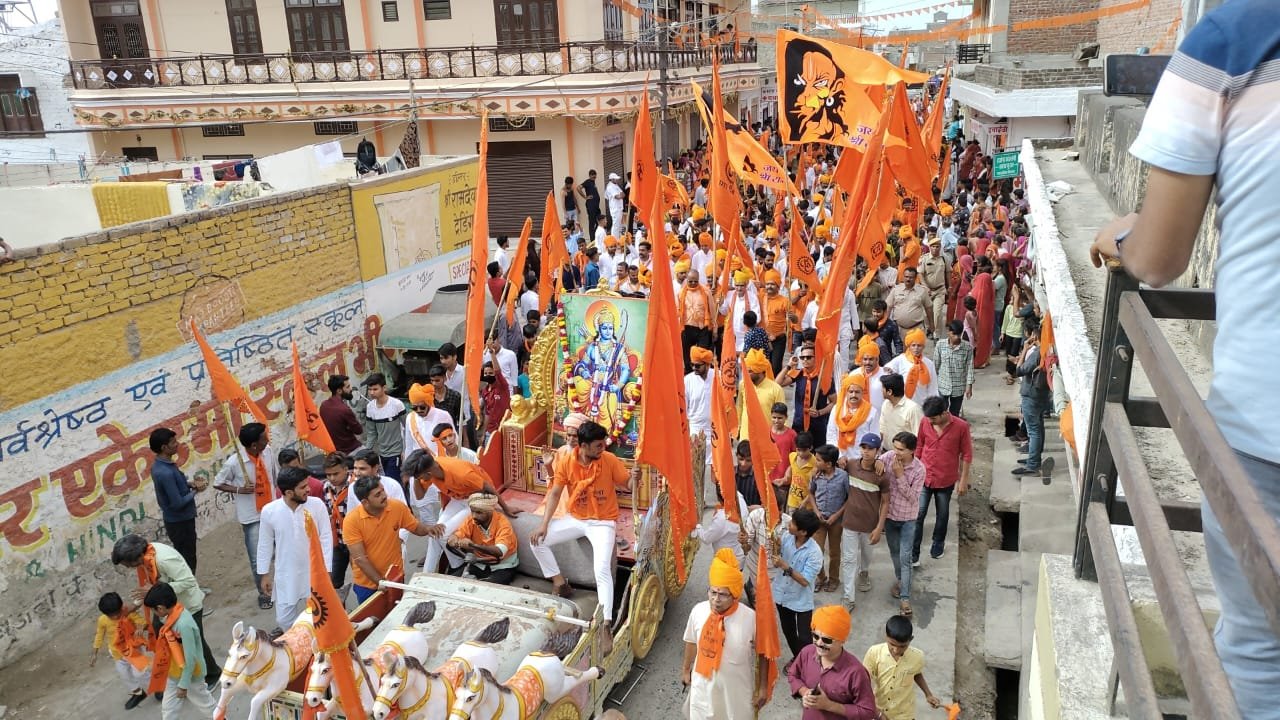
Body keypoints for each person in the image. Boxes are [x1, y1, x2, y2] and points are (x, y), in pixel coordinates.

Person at [1086, 6, 1280, 707]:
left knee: (1258, 653)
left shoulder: (1230, 41)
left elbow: (1160, 257)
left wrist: (1122, 238)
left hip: (1266, 428)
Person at [530, 420, 640, 632]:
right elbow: (555, 493)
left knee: (601, 569)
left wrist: (635, 479)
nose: (603, 448)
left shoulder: (608, 459)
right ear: (583, 446)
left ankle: (606, 623)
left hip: (603, 522)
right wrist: (544, 525)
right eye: (598, 445)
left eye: (603, 444)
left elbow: (627, 484)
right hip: (576, 518)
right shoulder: (566, 462)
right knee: (536, 541)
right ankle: (560, 583)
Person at [110, 535, 220, 688]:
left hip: (187, 606)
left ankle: (213, 674)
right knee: (161, 635)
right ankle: (178, 671)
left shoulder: (163, 560)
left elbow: (188, 581)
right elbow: (149, 587)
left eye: (128, 564)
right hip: (164, 606)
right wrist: (135, 605)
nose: (129, 567)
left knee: (194, 643)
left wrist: (156, 590)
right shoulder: (147, 558)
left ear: (138, 556)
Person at [681, 549, 766, 719]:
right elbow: (691, 642)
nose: (716, 599)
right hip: (703, 687)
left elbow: (763, 653)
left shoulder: (751, 618)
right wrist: (686, 669)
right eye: (713, 592)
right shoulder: (698, 611)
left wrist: (763, 687)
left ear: (734, 596)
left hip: (735, 693)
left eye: (722, 594)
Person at [403, 448, 512, 573]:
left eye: (419, 476)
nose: (418, 479)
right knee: (434, 533)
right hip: (459, 499)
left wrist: (506, 508)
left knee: (443, 534)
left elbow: (488, 487)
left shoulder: (461, 473)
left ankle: (458, 566)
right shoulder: (431, 469)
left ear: (428, 473)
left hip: (477, 500)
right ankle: (426, 574)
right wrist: (416, 477)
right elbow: (419, 496)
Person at [343, 475, 443, 604]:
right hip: (367, 585)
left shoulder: (397, 507)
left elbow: (416, 527)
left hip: (395, 578)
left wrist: (429, 529)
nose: (384, 496)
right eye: (378, 494)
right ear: (365, 502)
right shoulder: (351, 521)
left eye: (383, 490)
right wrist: (380, 581)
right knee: (373, 616)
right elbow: (360, 559)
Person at [257, 467, 333, 630]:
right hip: (286, 573)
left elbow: (326, 538)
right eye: (303, 487)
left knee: (319, 618)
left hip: (314, 572)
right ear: (289, 492)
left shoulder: (317, 505)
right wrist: (264, 574)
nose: (308, 489)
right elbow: (264, 543)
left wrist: (327, 569)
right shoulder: (269, 511)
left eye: (307, 485)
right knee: (284, 620)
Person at [213, 422, 277, 610]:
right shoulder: (234, 462)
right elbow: (218, 482)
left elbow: (274, 476)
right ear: (254, 445)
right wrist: (239, 489)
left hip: (272, 509)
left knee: (282, 549)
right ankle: (264, 593)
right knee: (257, 558)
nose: (267, 440)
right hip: (252, 516)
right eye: (264, 438)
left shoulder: (268, 452)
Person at [786, 605, 877, 719]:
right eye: (815, 636)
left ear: (842, 640)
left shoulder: (856, 673)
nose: (819, 643)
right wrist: (805, 692)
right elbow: (793, 674)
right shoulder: (807, 653)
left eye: (827, 640)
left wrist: (829, 705)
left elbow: (868, 711)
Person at [143, 583, 218, 720]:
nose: (154, 614)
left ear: (160, 608)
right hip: (174, 672)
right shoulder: (172, 614)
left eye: (153, 610)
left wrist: (183, 685)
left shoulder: (184, 624)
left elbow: (191, 658)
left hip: (191, 676)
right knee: (168, 709)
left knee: (206, 705)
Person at [913, 397, 972, 564]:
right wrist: (914, 469)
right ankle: (914, 552)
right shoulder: (925, 422)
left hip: (946, 479)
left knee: (943, 513)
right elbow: (919, 445)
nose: (930, 421)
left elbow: (967, 454)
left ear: (944, 413)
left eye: (933, 418)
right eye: (929, 418)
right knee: (918, 514)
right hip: (924, 476)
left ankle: (938, 543)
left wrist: (963, 480)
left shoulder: (961, 427)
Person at [840, 433, 889, 611]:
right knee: (849, 559)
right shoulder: (851, 465)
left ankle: (864, 572)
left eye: (870, 448)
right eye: (863, 447)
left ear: (877, 451)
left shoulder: (881, 475)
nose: (866, 451)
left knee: (866, 555)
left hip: (869, 524)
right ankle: (849, 597)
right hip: (850, 522)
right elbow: (833, 464)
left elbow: (885, 502)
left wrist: (879, 527)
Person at [863, 615, 942, 719]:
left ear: (911, 639)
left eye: (902, 646)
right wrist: (877, 712)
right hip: (880, 709)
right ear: (886, 636)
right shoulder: (874, 653)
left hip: (905, 714)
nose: (896, 650)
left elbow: (916, 673)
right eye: (892, 644)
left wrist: (928, 694)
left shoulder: (917, 656)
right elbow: (863, 682)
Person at [881, 432, 925, 617]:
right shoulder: (889, 457)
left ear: (912, 450)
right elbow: (876, 463)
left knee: (905, 557)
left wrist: (900, 476)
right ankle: (901, 580)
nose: (896, 452)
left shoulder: (919, 470)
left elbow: (913, 498)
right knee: (894, 553)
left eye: (901, 449)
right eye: (895, 447)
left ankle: (905, 598)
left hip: (907, 518)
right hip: (890, 516)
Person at [770, 508, 823, 659]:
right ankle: (798, 659)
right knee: (788, 631)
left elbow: (805, 581)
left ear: (803, 532)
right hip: (782, 595)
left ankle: (808, 663)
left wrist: (785, 566)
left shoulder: (814, 553)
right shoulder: (786, 537)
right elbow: (776, 558)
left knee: (805, 637)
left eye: (793, 523)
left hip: (801, 600)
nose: (789, 524)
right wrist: (775, 547)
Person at [149, 428, 204, 573]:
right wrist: (196, 490)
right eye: (173, 442)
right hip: (180, 522)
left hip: (176, 521)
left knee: (185, 556)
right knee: (188, 558)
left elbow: (174, 487)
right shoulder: (165, 472)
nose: (177, 444)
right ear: (164, 447)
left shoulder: (160, 466)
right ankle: (190, 585)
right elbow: (178, 503)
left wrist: (189, 484)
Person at [92, 592, 151, 710]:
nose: (115, 617)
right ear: (105, 614)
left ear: (121, 607)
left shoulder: (128, 613)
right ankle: (138, 693)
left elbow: (142, 622)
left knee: (140, 673)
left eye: (117, 614)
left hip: (134, 650)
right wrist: (95, 653)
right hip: (118, 653)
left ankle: (158, 687)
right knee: (124, 674)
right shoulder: (102, 620)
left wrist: (140, 627)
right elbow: (99, 635)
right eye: (111, 616)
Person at [1011, 319, 1054, 478]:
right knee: (1038, 427)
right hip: (1042, 395)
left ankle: (1033, 464)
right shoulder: (1047, 350)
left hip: (1031, 395)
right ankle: (1034, 458)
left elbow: (1019, 370)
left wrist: (1024, 349)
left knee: (1033, 430)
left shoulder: (1037, 353)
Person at [803, 445, 849, 594]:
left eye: (818, 460)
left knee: (834, 552)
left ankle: (834, 579)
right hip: (819, 520)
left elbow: (849, 499)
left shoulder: (843, 476)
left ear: (828, 464)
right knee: (817, 551)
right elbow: (811, 493)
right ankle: (821, 578)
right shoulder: (816, 475)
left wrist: (836, 515)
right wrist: (817, 512)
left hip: (836, 521)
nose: (815, 462)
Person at [446, 493, 519, 585]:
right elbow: (458, 534)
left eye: (479, 512)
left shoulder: (503, 524)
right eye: (472, 511)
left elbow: (499, 551)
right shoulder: (471, 520)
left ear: (490, 512)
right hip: (479, 563)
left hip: (502, 566)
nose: (474, 516)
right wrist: (454, 539)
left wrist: (473, 545)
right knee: (452, 583)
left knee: (486, 588)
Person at [358, 372, 406, 481]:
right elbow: (371, 433)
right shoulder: (370, 407)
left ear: (384, 388)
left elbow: (407, 427)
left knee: (393, 480)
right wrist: (367, 451)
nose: (372, 392)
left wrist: (405, 450)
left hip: (396, 452)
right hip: (382, 453)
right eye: (370, 389)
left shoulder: (397, 404)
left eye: (375, 389)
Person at [321, 452, 356, 592]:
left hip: (356, 541)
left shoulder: (356, 485)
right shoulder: (326, 487)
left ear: (345, 469)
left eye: (335, 474)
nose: (332, 478)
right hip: (338, 541)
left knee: (363, 579)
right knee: (334, 582)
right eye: (328, 475)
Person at [829, 375, 880, 467]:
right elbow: (831, 436)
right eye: (851, 391)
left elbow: (875, 438)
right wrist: (839, 456)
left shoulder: (872, 412)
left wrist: (866, 460)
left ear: (862, 392)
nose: (853, 395)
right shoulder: (837, 409)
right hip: (839, 460)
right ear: (846, 392)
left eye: (857, 392)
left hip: (861, 461)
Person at [738, 349, 785, 440]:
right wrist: (738, 428)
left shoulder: (776, 389)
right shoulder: (742, 384)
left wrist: (780, 436)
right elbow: (739, 407)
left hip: (766, 438)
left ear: (759, 371)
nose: (746, 374)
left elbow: (782, 414)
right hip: (745, 436)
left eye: (750, 371)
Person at [885, 328, 937, 406]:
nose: (916, 348)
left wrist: (932, 406)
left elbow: (933, 387)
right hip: (904, 405)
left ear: (923, 347)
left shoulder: (929, 364)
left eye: (919, 345)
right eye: (913, 345)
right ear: (909, 346)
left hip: (922, 405)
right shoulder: (901, 359)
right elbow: (886, 370)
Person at [934, 320, 974, 417]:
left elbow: (970, 367)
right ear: (949, 332)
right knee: (941, 412)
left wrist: (969, 386)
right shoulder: (940, 345)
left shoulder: (967, 347)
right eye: (954, 334)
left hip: (959, 387)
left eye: (959, 335)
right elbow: (935, 365)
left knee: (954, 414)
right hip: (943, 385)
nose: (957, 337)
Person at [403, 382, 454, 457]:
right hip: (420, 461)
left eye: (422, 407)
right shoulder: (410, 418)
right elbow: (409, 445)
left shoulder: (443, 415)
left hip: (441, 460)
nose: (418, 410)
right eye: (414, 408)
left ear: (428, 404)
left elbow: (454, 440)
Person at [320, 375, 363, 454]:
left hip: (335, 451)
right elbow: (359, 430)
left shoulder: (323, 406)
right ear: (339, 391)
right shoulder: (344, 409)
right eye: (347, 387)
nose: (351, 389)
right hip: (351, 450)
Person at [884, 267, 933, 337]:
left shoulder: (922, 291)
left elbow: (929, 308)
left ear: (915, 278)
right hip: (898, 329)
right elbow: (888, 307)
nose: (908, 279)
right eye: (906, 277)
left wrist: (931, 325)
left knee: (916, 345)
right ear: (903, 277)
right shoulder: (896, 290)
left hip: (917, 329)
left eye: (911, 277)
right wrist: (885, 325)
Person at [878, 374, 923, 447]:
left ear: (889, 392)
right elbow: (882, 428)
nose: (880, 390)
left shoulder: (913, 409)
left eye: (882, 388)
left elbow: (919, 436)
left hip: (904, 453)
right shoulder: (886, 404)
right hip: (885, 451)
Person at [770, 402, 799, 512]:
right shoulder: (766, 432)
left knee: (780, 509)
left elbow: (795, 457)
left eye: (780, 418)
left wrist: (788, 475)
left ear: (786, 417)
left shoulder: (792, 434)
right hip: (768, 477)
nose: (776, 421)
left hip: (784, 479)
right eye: (774, 417)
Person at [783, 432, 818, 513]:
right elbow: (791, 467)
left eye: (804, 450)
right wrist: (785, 477)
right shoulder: (792, 456)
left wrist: (805, 501)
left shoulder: (815, 464)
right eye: (798, 450)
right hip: (792, 501)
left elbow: (816, 487)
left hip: (807, 504)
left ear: (811, 448)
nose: (801, 453)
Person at [428, 364, 464, 429]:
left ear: (444, 378)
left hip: (450, 431)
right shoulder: (428, 396)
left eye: (437, 380)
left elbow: (461, 418)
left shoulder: (455, 396)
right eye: (432, 380)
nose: (434, 383)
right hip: (432, 431)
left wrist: (464, 435)